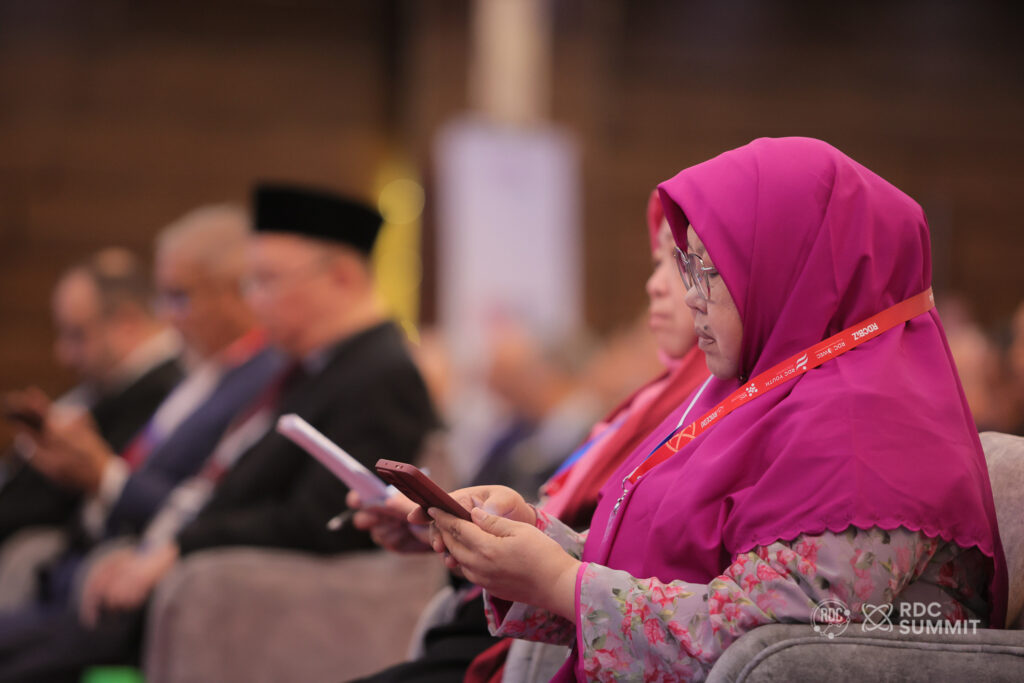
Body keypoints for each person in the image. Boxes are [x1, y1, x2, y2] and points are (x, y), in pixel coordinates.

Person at [423, 138, 1007, 681]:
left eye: (709, 269)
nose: (689, 296)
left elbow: (760, 638)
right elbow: (672, 574)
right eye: (688, 266)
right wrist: (532, 537)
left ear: (791, 271)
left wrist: (557, 579)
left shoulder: (871, 432)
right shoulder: (760, 394)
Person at [0, 183, 441, 681]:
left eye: (267, 281)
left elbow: (322, 520)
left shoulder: (381, 374)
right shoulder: (318, 367)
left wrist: (181, 548)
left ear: (340, 276)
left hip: (232, 600)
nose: (254, 301)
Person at [350, 189, 709, 682]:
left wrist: (546, 567)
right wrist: (461, 527)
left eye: (688, 262)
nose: (658, 286)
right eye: (661, 261)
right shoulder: (655, 400)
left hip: (564, 636)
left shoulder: (702, 403)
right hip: (524, 616)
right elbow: (590, 534)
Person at [0, 205, 284, 611]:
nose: (166, 316)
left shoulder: (261, 380)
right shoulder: (203, 375)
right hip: (92, 561)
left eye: (180, 297)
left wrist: (101, 473)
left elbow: (205, 507)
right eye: (163, 296)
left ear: (236, 292)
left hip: (142, 575)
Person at [0, 249, 184, 545]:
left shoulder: (160, 388)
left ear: (127, 323)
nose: (63, 355)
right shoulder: (107, 386)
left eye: (76, 334)